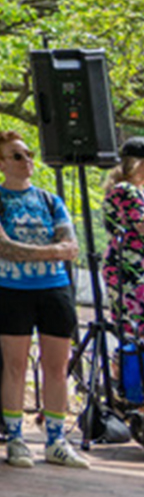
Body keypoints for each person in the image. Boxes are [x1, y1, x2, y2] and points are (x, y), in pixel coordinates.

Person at [0, 128, 88, 469]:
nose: (27, 162)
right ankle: (15, 438)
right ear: (0, 163)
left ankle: (56, 440)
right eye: (17, 156)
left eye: (29, 155)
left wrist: (39, 253)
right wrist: (50, 250)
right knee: (16, 364)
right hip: (12, 291)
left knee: (57, 367)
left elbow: (71, 247)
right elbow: (1, 245)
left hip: (54, 289)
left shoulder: (51, 200)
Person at [104, 139, 144, 348]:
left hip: (132, 267)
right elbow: (140, 226)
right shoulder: (126, 190)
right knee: (133, 334)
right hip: (128, 270)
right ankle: (127, 379)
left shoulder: (131, 190)